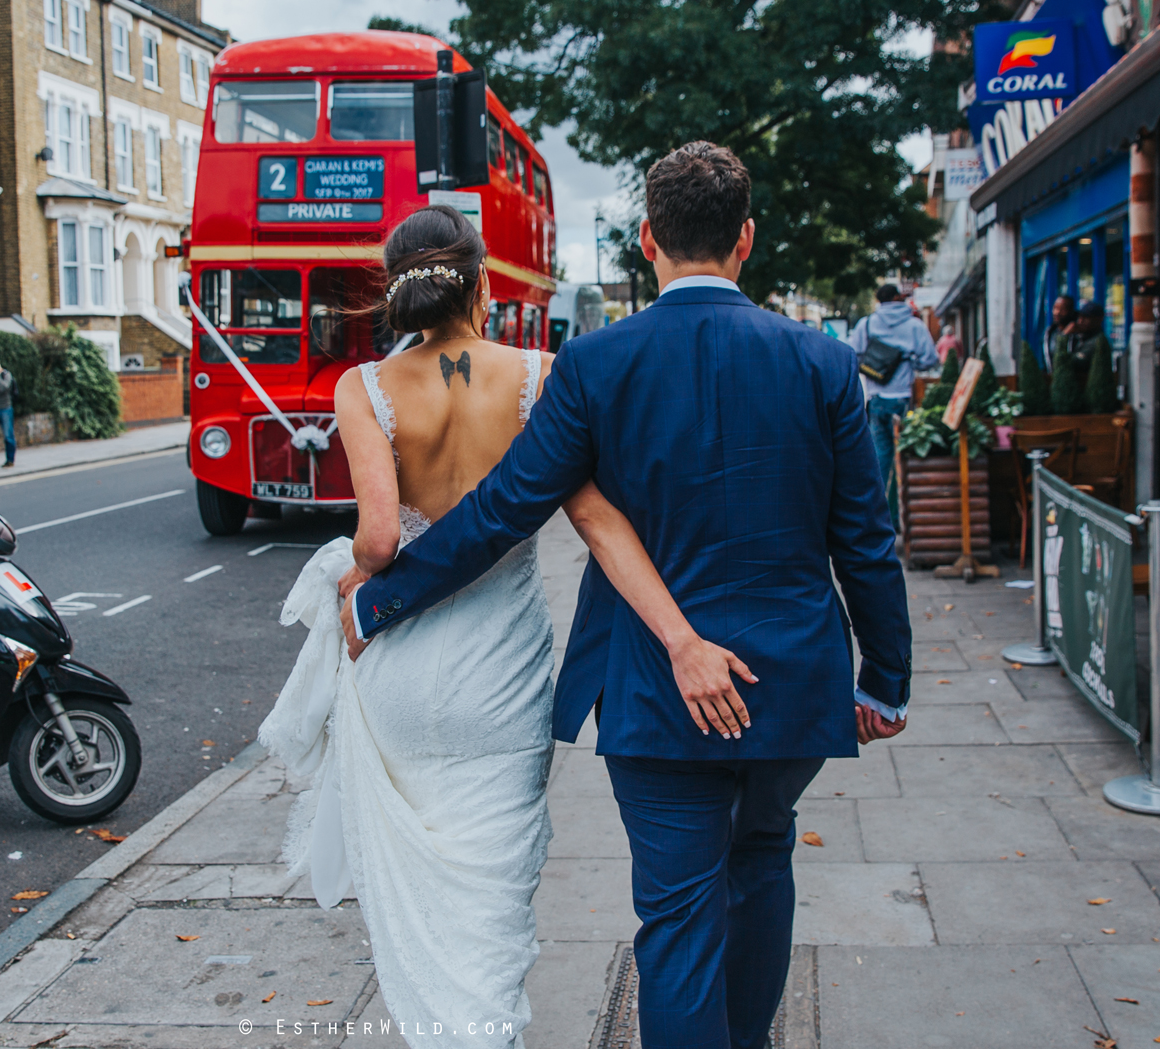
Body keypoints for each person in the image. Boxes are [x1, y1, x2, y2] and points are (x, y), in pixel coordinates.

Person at [339, 142, 911, 1049]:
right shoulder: (822, 362)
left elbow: (501, 510)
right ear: (746, 239)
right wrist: (885, 679)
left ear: (648, 239)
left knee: (679, 915)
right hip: (793, 680)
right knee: (762, 860)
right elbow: (867, 544)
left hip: (653, 689)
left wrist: (379, 602)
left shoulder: (597, 364)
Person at [260, 204, 754, 1049]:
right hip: (502, 676)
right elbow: (594, 514)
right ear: (482, 285)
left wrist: (351, 572)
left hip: (407, 675)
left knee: (422, 886)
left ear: (399, 289)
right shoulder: (539, 375)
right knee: (491, 888)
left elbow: (380, 541)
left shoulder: (365, 388)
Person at [847, 283, 938, 527]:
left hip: (876, 400)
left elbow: (851, 355)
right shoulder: (914, 325)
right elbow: (931, 358)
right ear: (898, 298)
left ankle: (877, 516)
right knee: (904, 457)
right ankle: (898, 515)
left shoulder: (867, 324)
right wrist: (909, 362)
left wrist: (872, 369)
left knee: (879, 458)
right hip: (904, 399)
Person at [1062, 300, 1108, 382]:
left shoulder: (1097, 341)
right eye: (1079, 317)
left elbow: (1070, 363)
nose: (1080, 321)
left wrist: (1064, 336)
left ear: (1098, 320)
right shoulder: (1080, 338)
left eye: (1085, 318)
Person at [1043, 294, 1077, 370]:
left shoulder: (1077, 334)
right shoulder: (1050, 332)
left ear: (1070, 311)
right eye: (1055, 308)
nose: (1057, 312)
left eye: (1062, 309)